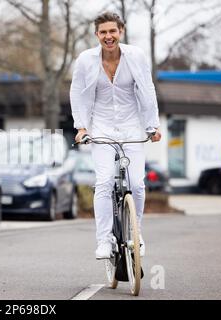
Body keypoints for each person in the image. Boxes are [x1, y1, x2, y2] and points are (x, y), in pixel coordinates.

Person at [69, 12, 162, 259]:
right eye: (103, 32)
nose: (108, 37)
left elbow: (147, 88)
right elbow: (77, 92)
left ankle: (136, 232)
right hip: (101, 127)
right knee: (104, 181)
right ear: (96, 34)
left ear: (120, 31)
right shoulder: (86, 60)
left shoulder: (136, 56)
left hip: (131, 126)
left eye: (112, 31)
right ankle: (104, 240)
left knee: (137, 184)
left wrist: (152, 125)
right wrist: (81, 127)